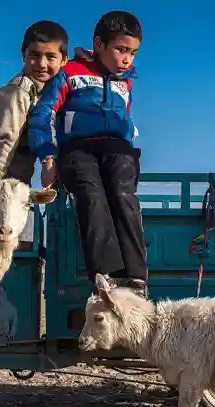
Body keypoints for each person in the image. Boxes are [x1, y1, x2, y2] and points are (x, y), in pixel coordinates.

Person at [28, 10, 148, 298]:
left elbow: (126, 120)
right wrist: (47, 156)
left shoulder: (126, 82)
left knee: (123, 196)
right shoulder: (70, 73)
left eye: (132, 52)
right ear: (98, 43)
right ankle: (106, 277)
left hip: (117, 149)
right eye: (120, 49)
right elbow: (43, 115)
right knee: (92, 196)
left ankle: (136, 279)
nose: (127, 58)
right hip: (78, 149)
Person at [0, 20, 69, 228]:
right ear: (24, 55)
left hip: (16, 170)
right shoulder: (20, 91)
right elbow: (7, 137)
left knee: (8, 225)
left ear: (64, 60)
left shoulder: (51, 91)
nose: (42, 64)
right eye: (34, 55)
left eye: (50, 57)